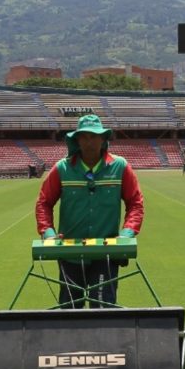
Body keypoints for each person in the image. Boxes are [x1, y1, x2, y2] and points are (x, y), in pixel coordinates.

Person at [35, 114, 144, 308]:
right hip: (69, 254)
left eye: (94, 136)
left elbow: (135, 202)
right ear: (76, 140)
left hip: (106, 253)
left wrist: (126, 234)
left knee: (102, 309)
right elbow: (44, 202)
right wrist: (49, 234)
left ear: (103, 139)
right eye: (84, 136)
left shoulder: (120, 167)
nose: (90, 141)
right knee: (69, 310)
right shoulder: (62, 169)